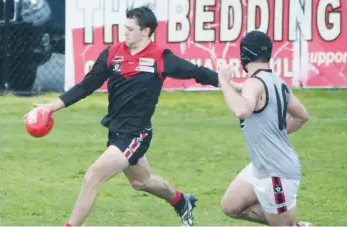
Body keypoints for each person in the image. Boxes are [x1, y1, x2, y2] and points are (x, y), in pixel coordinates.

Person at [25, 5, 220, 227]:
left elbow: (198, 72)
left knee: (92, 177)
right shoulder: (112, 54)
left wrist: (230, 85)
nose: (124, 32)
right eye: (124, 27)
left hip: (136, 134)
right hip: (116, 131)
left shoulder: (160, 58)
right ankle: (182, 201)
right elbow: (86, 86)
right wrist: (50, 107)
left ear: (145, 31)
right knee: (141, 182)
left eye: (130, 29)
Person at [217, 30, 313, 226]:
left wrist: (225, 82)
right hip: (261, 166)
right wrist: (274, 132)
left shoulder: (254, 83)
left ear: (243, 55)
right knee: (231, 205)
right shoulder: (278, 83)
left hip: (276, 172)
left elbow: (242, 110)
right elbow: (302, 116)